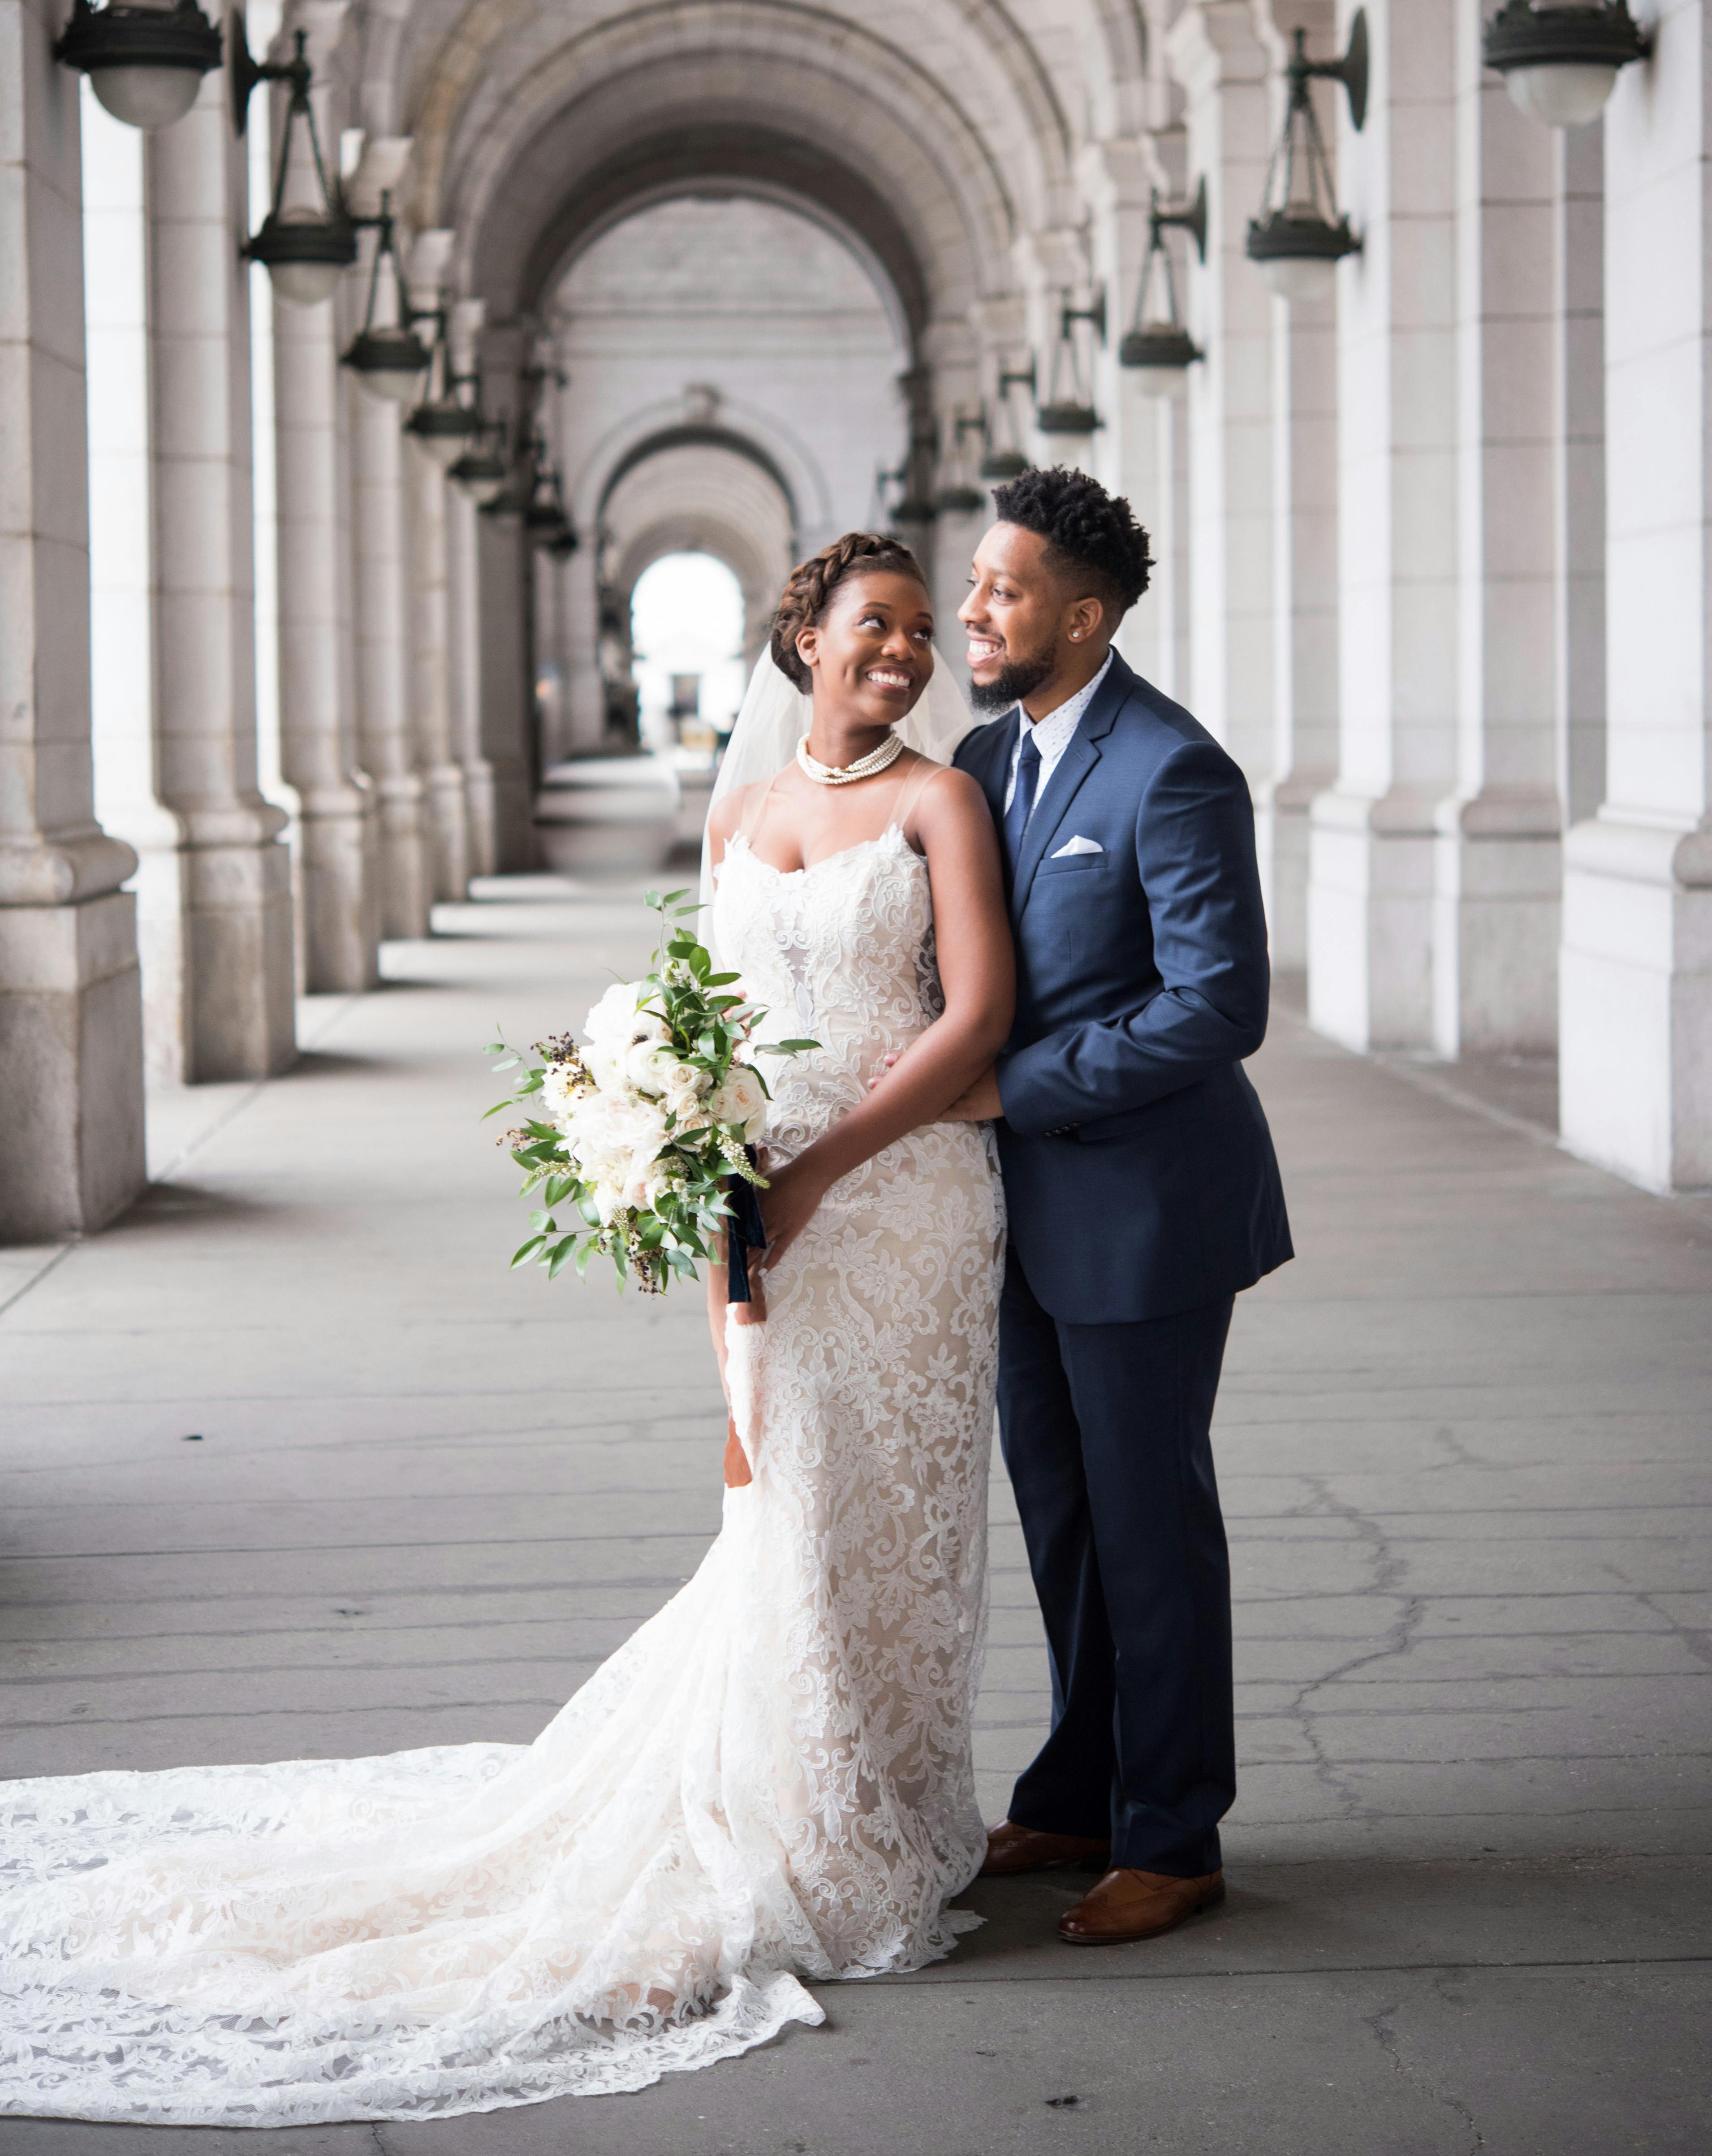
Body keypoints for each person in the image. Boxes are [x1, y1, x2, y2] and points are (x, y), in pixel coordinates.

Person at [0, 533, 1015, 2126]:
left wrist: (815, 1168)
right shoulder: (740, 815)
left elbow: (978, 1016)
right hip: (763, 1198)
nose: (902, 652)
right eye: (871, 625)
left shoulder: (939, 800)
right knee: (781, 1506)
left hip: (907, 1202)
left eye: (915, 631)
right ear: (803, 635)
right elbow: (709, 1040)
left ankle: (876, 1805)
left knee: (896, 1516)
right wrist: (719, 1201)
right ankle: (795, 1810)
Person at [949, 464, 1291, 1947]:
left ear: (1082, 619)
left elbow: (1221, 1005)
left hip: (1146, 1209)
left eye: (1004, 589)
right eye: (977, 580)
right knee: (1065, 1513)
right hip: (1011, 1216)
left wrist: (1015, 1088)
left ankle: (1176, 1828)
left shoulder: (1174, 766)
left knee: (1152, 1519)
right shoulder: (980, 752)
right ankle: (1078, 1786)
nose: (974, 607)